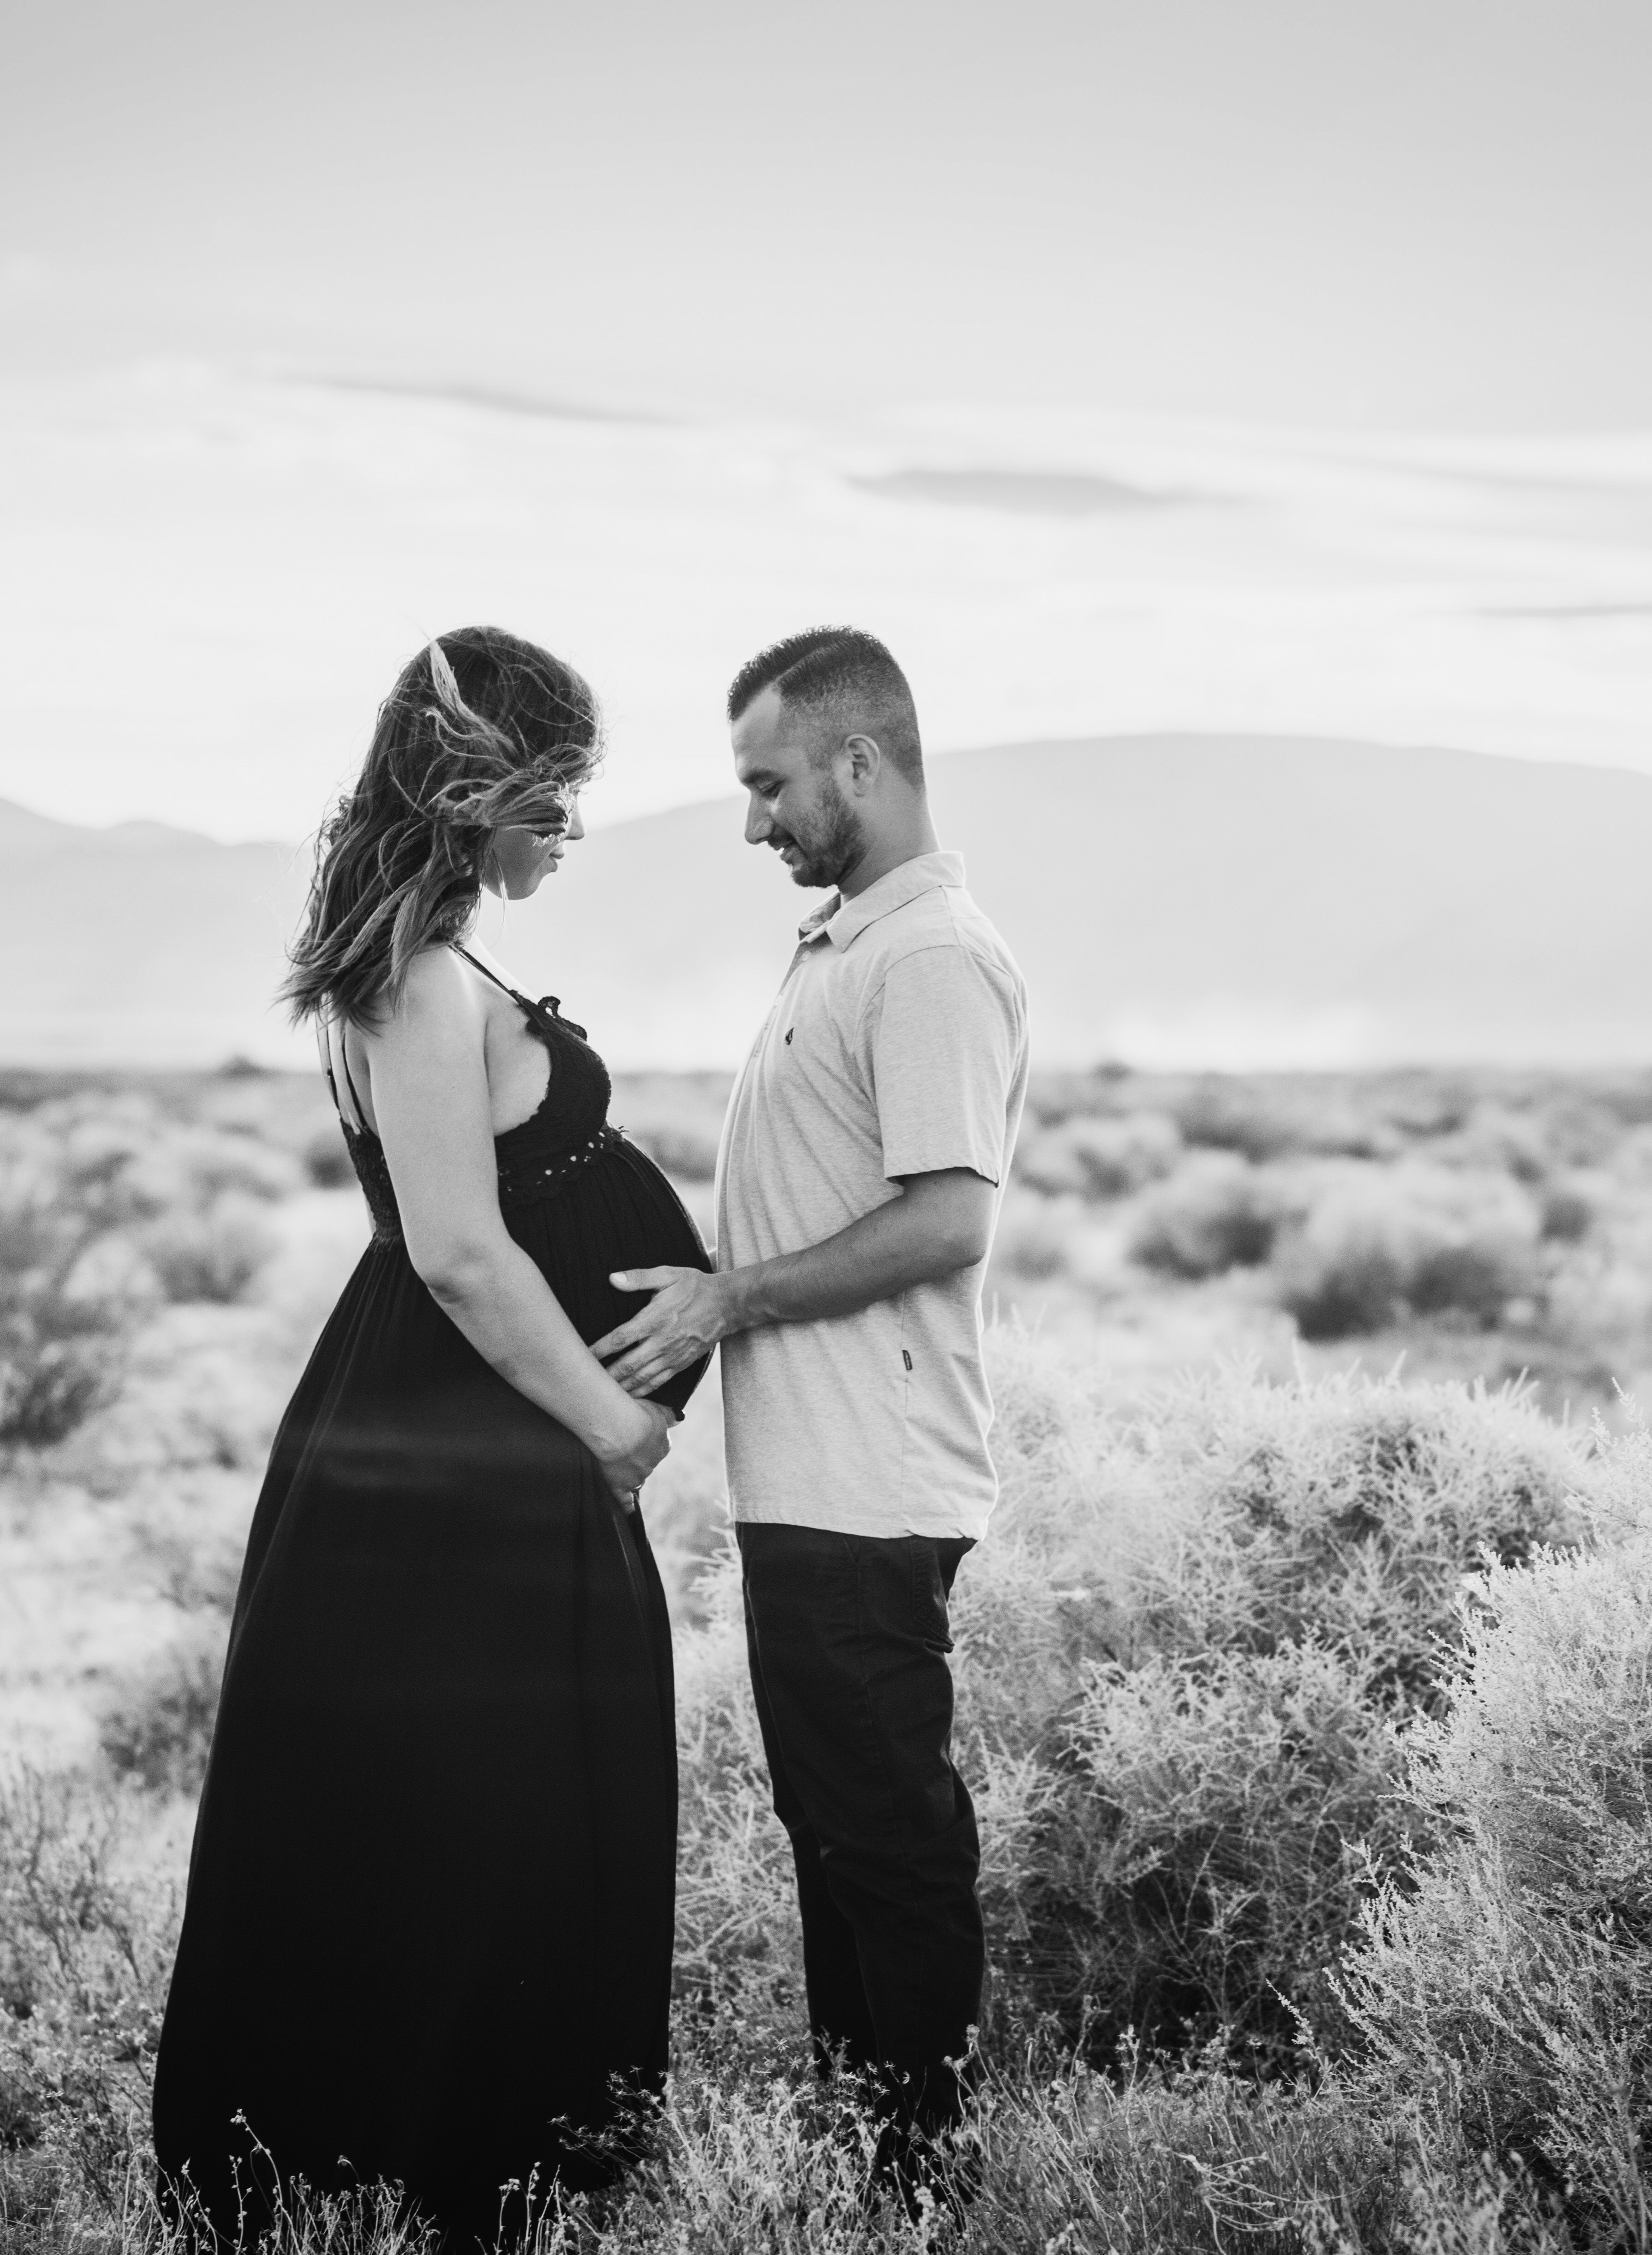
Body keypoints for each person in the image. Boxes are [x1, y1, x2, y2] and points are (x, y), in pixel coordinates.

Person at [152, 628, 709, 2249]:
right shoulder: (409, 976)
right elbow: (459, 1250)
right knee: (481, 1792)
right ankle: (435, 2148)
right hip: (461, 1444)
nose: (573, 832)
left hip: (466, 1434)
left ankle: (479, 2148)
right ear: (477, 795)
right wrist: (613, 1419)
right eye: (558, 795)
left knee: (482, 1790)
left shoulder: (435, 965)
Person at [591, 626, 1029, 2200]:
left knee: (888, 1840)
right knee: (837, 1833)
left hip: (872, 1481)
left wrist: (727, 1299)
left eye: (770, 782)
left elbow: (944, 1222)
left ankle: (920, 2179)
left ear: (859, 762)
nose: (755, 818)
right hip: (811, 1480)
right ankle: (873, 2150)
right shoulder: (849, 943)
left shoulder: (928, 958)